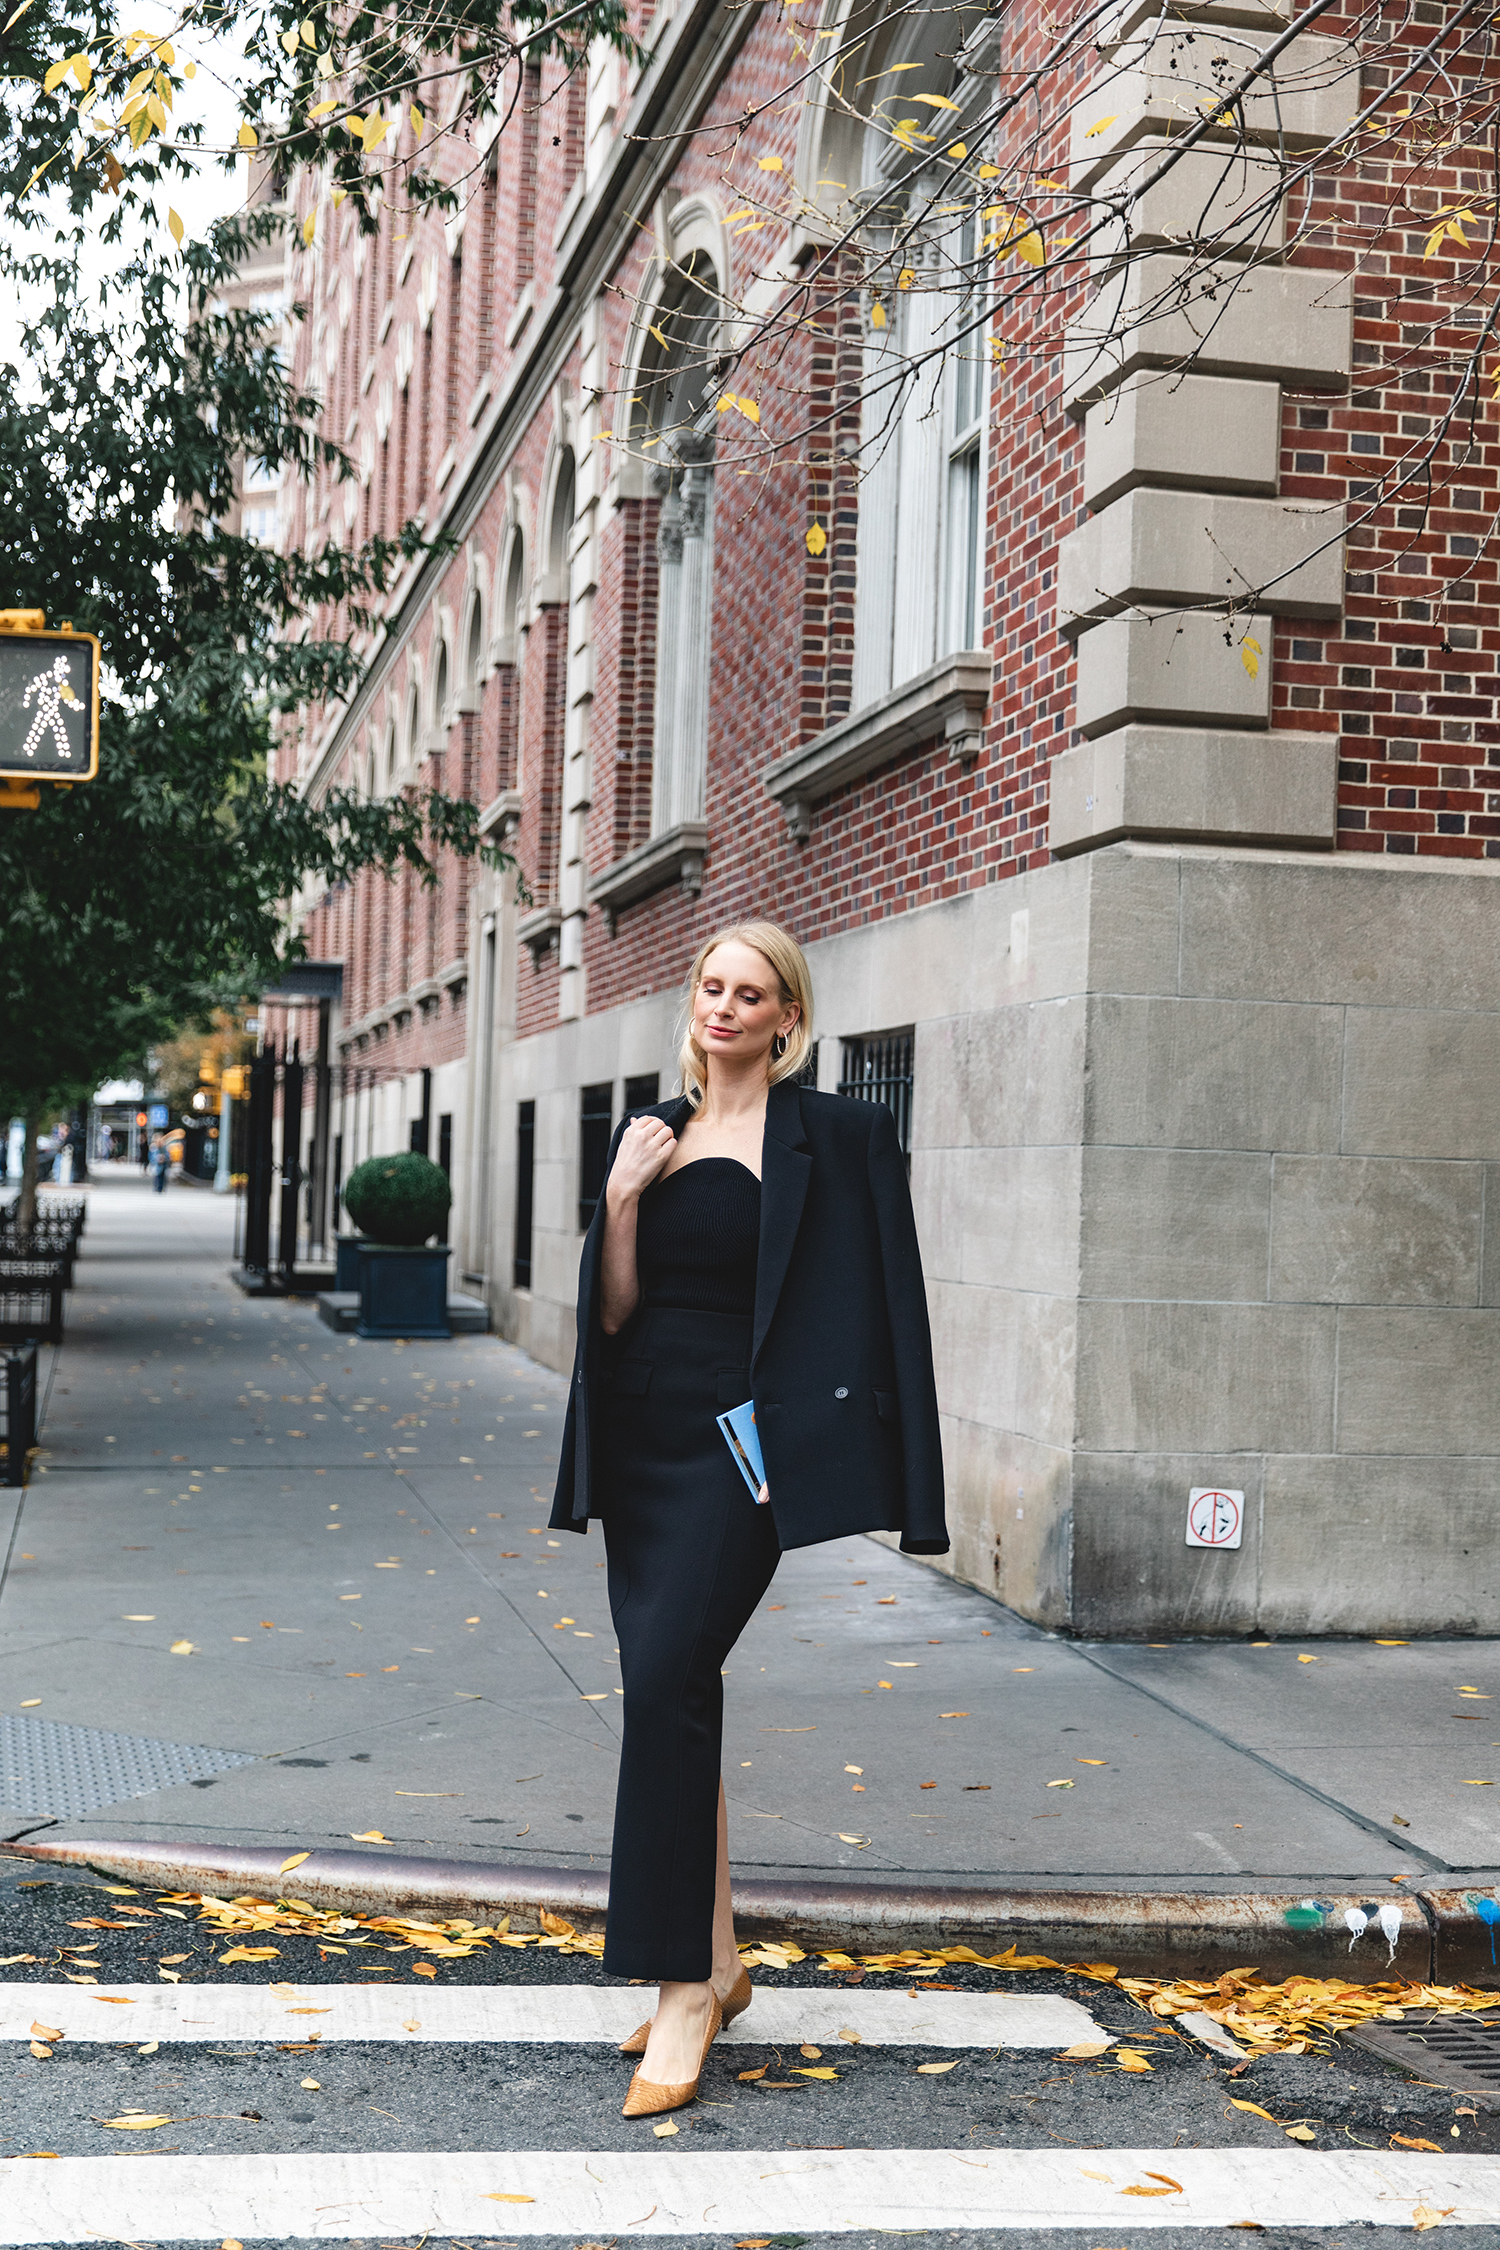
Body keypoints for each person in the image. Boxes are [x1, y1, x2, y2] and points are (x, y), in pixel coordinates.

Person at [550, 920, 946, 2119]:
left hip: (745, 1454)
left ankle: (677, 1988)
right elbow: (616, 1314)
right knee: (672, 1688)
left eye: (751, 992)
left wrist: (884, 1464)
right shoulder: (649, 1137)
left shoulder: (836, 1134)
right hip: (645, 1441)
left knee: (669, 1675)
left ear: (788, 1016)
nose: (724, 1005)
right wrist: (620, 1203)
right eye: (710, 984)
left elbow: (892, 1308)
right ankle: (718, 1966)